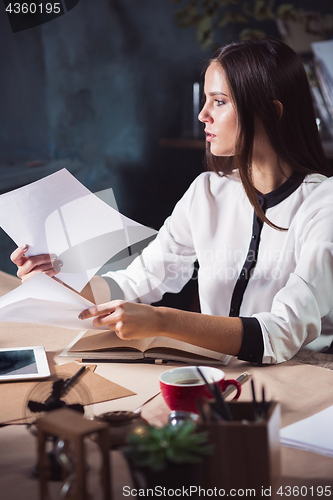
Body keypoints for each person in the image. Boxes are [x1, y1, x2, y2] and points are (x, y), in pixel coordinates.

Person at [11, 37, 333, 364]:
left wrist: (164, 321)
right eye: (205, 99)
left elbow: (281, 332)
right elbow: (138, 281)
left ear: (272, 112)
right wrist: (59, 281)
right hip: (219, 372)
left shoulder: (324, 204)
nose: (203, 115)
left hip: (306, 376)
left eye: (219, 101)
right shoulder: (207, 191)